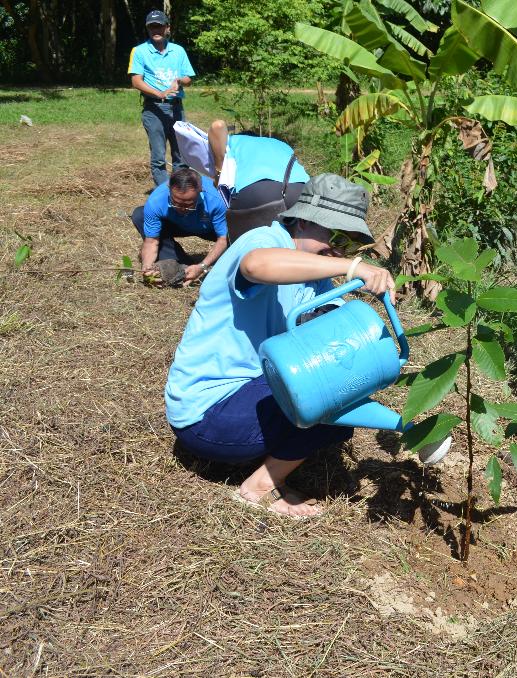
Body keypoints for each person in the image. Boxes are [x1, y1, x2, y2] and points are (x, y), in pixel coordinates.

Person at [165, 174, 394, 518]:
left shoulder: (317, 282)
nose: (338, 248)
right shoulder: (265, 239)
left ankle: (263, 461)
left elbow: (344, 340)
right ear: (303, 219)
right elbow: (257, 266)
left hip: (239, 406)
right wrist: (352, 267)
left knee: (346, 383)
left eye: (348, 244)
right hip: (206, 413)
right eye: (334, 235)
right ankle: (258, 488)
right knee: (328, 390)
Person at [173, 119, 310, 241]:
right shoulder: (279, 143)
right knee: (297, 246)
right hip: (301, 190)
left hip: (257, 190)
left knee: (245, 247)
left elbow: (217, 125)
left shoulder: (233, 141)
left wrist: (218, 172)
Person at [128, 9, 195, 187]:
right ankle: (166, 195)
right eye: (152, 27)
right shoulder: (139, 51)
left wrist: (180, 80)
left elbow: (188, 79)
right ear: (148, 29)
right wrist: (160, 94)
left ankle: (180, 192)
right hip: (154, 109)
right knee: (158, 157)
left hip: (177, 108)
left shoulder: (178, 51)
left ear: (167, 28)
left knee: (181, 154)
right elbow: (136, 81)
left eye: (159, 26)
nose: (155, 30)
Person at [131, 167, 228, 286]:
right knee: (139, 214)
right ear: (169, 189)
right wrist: (146, 267)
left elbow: (223, 239)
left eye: (188, 204)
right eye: (175, 203)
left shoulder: (216, 199)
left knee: (237, 244)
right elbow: (151, 242)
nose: (182, 209)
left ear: (200, 191)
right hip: (178, 224)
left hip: (210, 228)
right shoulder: (156, 201)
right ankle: (180, 264)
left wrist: (202, 266)